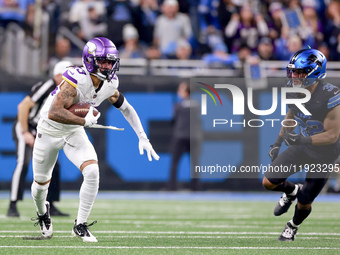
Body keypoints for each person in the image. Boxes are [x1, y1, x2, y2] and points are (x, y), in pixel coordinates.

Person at [30, 37, 159, 242]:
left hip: (73, 131)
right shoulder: (76, 78)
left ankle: (80, 225)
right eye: (103, 61)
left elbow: (126, 107)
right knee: (40, 186)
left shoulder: (110, 83)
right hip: (49, 131)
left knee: (92, 171)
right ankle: (42, 213)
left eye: (111, 61)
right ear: (90, 60)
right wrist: (83, 121)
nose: (108, 66)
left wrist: (143, 137)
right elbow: (54, 112)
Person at [262, 48, 340, 241]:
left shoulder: (331, 96)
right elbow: (291, 116)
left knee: (305, 202)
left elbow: (332, 136)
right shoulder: (294, 90)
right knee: (269, 182)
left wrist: (301, 139)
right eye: (293, 71)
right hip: (304, 146)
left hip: (325, 153)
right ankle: (292, 190)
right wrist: (278, 142)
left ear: (315, 72)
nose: (295, 76)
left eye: (300, 72)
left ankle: (293, 226)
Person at [7, 61, 72, 218]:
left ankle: (51, 204)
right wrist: (25, 132)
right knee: (24, 161)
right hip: (26, 125)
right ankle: (13, 204)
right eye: (67, 76)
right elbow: (23, 107)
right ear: (58, 76)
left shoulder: (67, 92)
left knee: (54, 165)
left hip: (41, 130)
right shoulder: (48, 86)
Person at [167, 82, 202, 191]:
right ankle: (195, 187)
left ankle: (172, 187)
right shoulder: (197, 104)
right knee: (195, 163)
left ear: (185, 92)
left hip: (180, 136)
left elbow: (173, 121)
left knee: (174, 162)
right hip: (194, 137)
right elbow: (199, 120)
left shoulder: (178, 106)